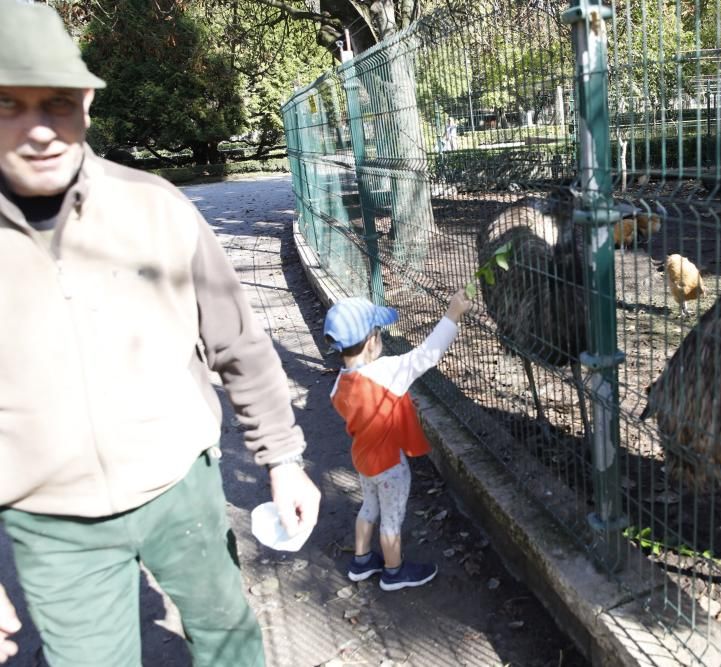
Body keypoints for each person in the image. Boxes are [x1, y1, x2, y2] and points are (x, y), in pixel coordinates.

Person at [0, 3, 320, 666]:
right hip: (52, 526)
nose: (37, 130)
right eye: (7, 105)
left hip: (183, 490)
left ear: (87, 102)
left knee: (229, 634)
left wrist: (283, 458)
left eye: (56, 102)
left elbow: (239, 343)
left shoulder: (155, 207)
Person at [325, 290, 472, 591]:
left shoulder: (340, 383)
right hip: (390, 466)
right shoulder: (385, 373)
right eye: (378, 332)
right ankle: (394, 572)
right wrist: (452, 315)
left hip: (363, 460)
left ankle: (362, 561)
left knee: (369, 507)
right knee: (391, 520)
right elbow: (427, 355)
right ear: (371, 342)